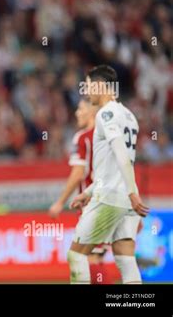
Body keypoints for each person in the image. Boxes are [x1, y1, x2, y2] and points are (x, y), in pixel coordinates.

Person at [68, 65, 149, 284]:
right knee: (125, 259)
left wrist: (132, 192)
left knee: (76, 255)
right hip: (124, 198)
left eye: (88, 86)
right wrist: (90, 191)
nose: (86, 92)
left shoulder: (106, 113)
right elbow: (113, 165)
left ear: (100, 85)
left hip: (111, 196)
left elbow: (121, 154)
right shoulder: (130, 116)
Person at [48, 98, 112, 284]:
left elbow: (77, 174)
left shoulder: (83, 137)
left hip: (92, 205)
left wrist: (60, 202)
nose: (77, 112)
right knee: (94, 257)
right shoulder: (109, 137)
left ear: (92, 112)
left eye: (81, 108)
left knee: (83, 258)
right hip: (109, 203)